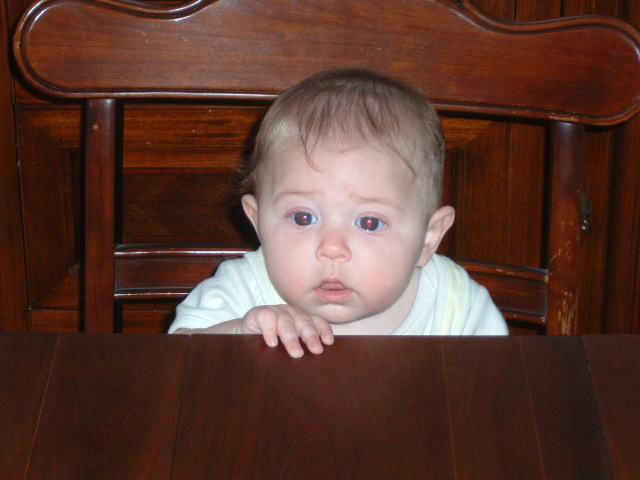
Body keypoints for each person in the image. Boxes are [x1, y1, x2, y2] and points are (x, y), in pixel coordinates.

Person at [168, 68, 508, 357]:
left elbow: (497, 390)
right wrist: (238, 332)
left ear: (427, 239)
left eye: (369, 222)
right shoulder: (243, 289)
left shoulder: (457, 304)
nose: (332, 248)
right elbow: (176, 361)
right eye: (303, 218)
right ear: (258, 222)